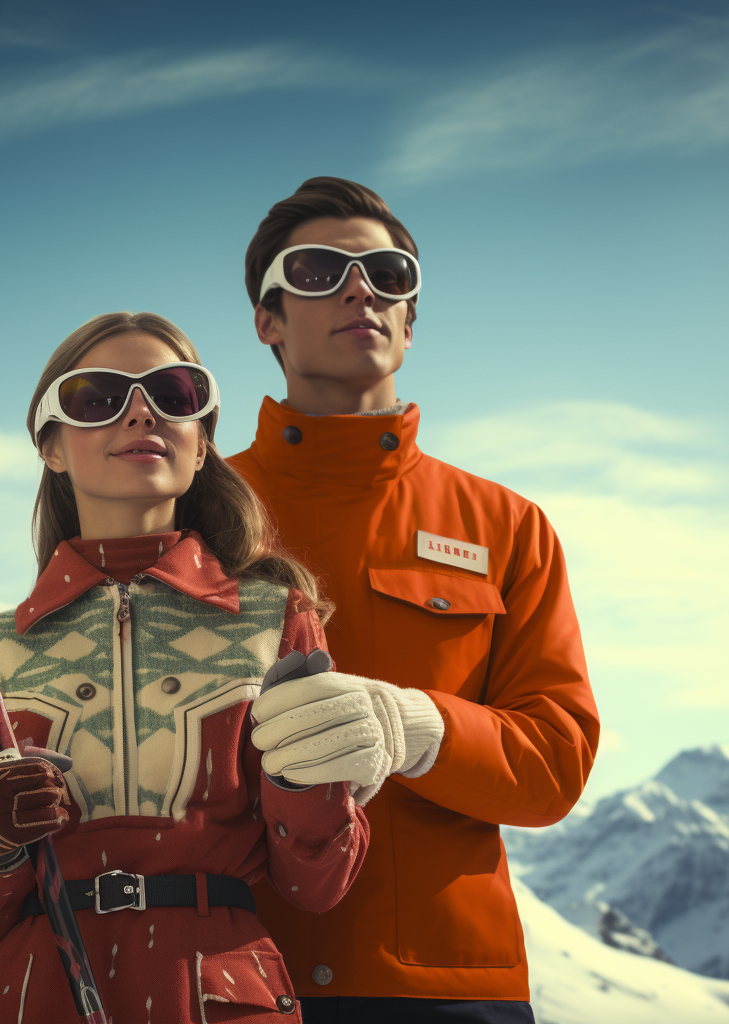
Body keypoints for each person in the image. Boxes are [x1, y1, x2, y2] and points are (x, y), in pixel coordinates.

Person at [0, 311, 377, 1023]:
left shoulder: (276, 619)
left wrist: (302, 784)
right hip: (32, 999)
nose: (141, 411)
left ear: (202, 442)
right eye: (98, 398)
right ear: (51, 446)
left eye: (175, 393)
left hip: (217, 1001)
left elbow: (321, 883)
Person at [229, 178, 600, 1023]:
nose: (360, 288)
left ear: (411, 319)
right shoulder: (195, 518)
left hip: (447, 991)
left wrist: (419, 729)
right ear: (268, 321)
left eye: (388, 274)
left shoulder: (508, 526)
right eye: (320, 269)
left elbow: (555, 766)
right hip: (234, 979)